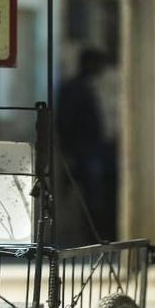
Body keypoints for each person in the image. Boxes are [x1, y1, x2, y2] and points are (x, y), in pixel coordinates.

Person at [56, 47, 116, 241]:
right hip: (84, 149)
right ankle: (93, 236)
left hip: (95, 148)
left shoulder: (90, 86)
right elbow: (65, 123)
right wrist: (70, 152)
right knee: (92, 196)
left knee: (99, 193)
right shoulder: (75, 88)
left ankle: (98, 234)